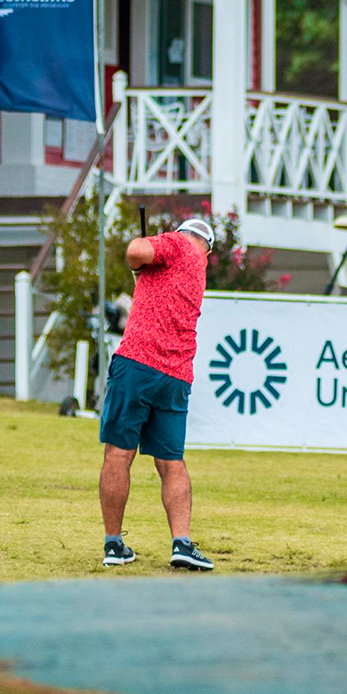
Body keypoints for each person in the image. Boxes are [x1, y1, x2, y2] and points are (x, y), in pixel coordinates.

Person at [98, 218, 216, 570]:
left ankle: (113, 544)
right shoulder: (199, 268)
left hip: (137, 364)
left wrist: (139, 264)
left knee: (119, 454)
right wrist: (143, 273)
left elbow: (136, 250)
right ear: (208, 250)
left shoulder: (177, 244)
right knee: (171, 461)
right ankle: (182, 543)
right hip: (176, 375)